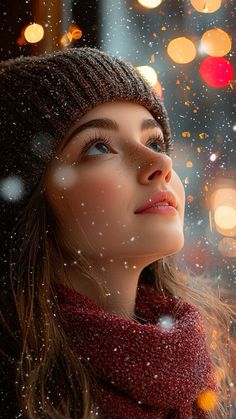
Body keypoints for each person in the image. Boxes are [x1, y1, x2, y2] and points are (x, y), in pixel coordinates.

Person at [0, 47, 235, 419]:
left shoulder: (191, 377)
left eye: (154, 142)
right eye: (99, 146)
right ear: (29, 202)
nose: (161, 163)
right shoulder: (14, 393)